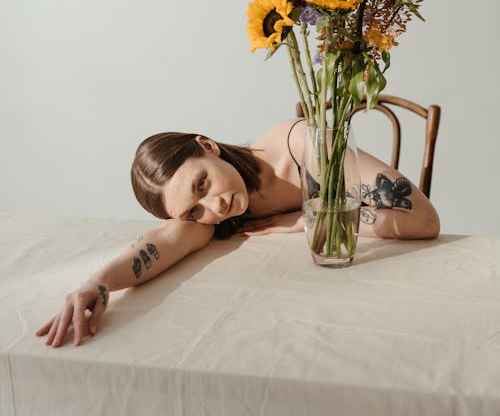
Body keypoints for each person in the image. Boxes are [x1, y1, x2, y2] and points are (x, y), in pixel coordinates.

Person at [35, 118, 440, 348]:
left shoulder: (301, 146)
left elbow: (423, 220)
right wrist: (97, 284)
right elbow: (161, 244)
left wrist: (304, 220)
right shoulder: (210, 219)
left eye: (201, 184)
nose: (214, 206)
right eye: (194, 209)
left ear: (208, 146)